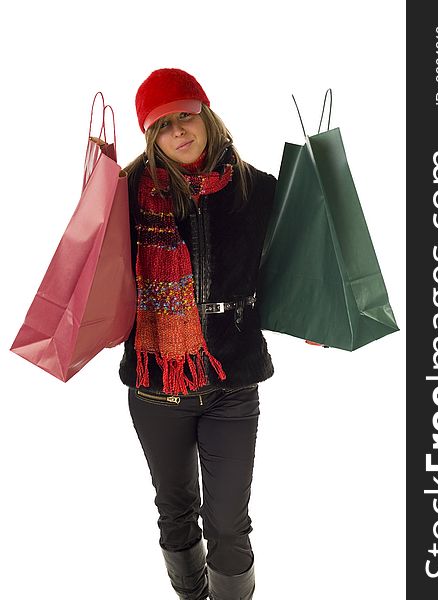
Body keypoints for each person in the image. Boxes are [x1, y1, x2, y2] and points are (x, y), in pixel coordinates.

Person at [114, 67, 278, 600]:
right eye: (163, 125)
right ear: (150, 137)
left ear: (205, 115)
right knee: (176, 512)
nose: (179, 131)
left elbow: (293, 269)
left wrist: (311, 320)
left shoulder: (258, 190)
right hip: (156, 385)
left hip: (233, 385)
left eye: (186, 115)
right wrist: (93, 178)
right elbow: (94, 268)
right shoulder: (125, 193)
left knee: (229, 524)